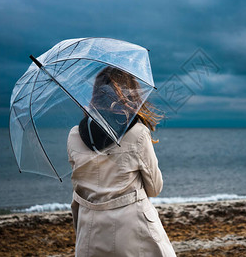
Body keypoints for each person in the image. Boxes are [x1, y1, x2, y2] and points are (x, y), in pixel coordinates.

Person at [67, 66, 176, 256]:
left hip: (90, 230)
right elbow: (155, 188)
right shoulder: (137, 133)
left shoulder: (74, 135)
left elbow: (80, 185)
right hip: (133, 230)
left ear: (95, 94)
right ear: (129, 94)